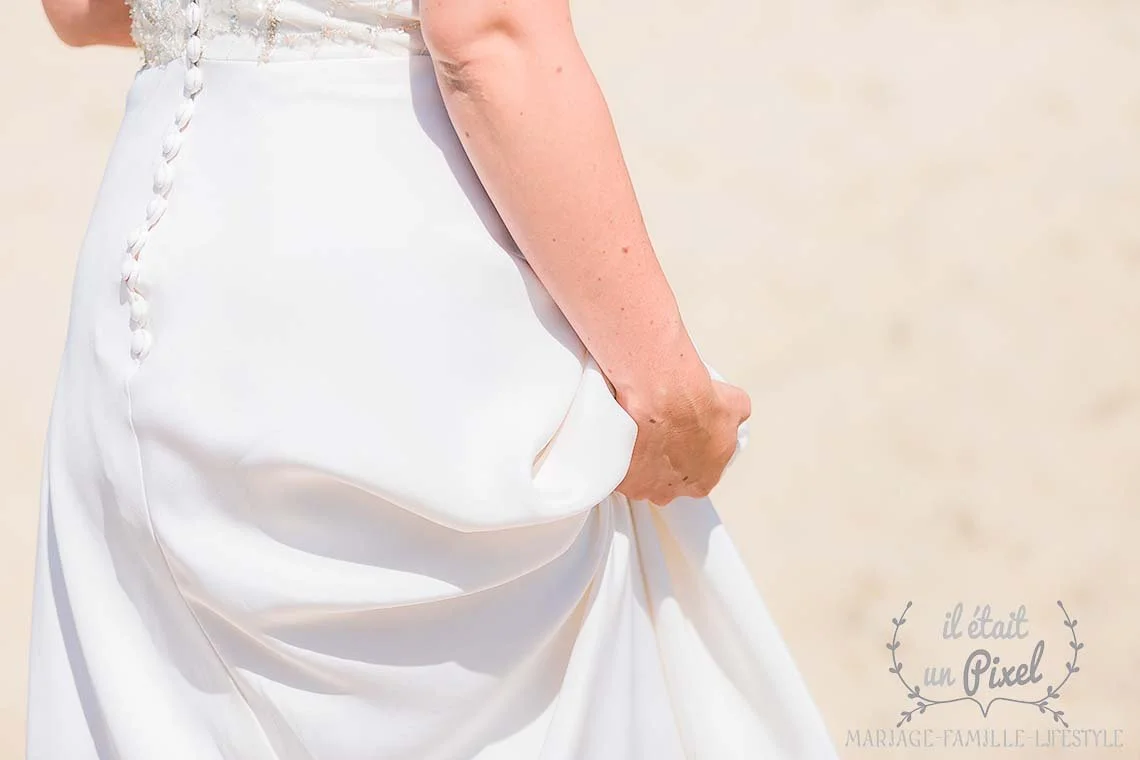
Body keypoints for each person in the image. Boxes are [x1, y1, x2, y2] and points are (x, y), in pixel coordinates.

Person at [27, 0, 839, 757]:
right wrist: (665, 388)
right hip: (380, 306)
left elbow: (76, 10)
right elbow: (491, 35)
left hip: (145, 298)